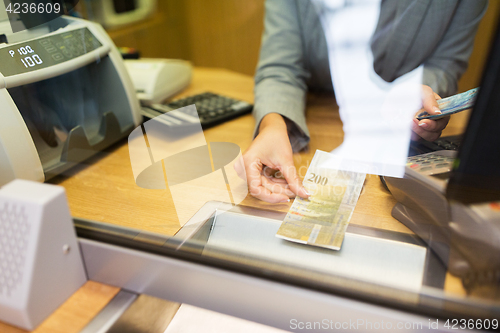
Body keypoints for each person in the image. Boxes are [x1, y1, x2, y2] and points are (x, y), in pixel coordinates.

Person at [241, 0, 488, 203]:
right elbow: (280, 67)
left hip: (393, 149)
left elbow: (444, 65)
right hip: (319, 116)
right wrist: (272, 124)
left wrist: (420, 94)